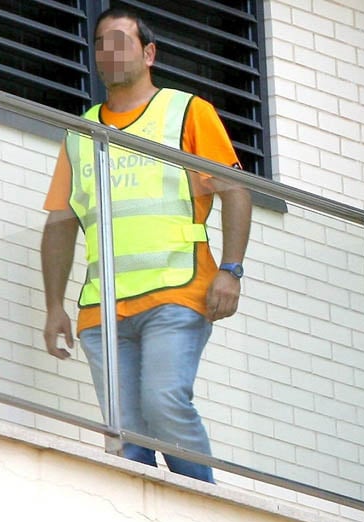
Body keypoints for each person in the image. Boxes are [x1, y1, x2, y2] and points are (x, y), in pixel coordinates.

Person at [41, 8, 251, 483]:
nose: (108, 52)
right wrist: (54, 306)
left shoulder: (186, 112)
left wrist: (231, 270)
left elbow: (236, 191)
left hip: (176, 293)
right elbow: (60, 223)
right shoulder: (82, 131)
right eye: (100, 43)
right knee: (124, 432)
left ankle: (204, 502)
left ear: (149, 52)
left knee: (164, 401)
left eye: (121, 41)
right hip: (103, 309)